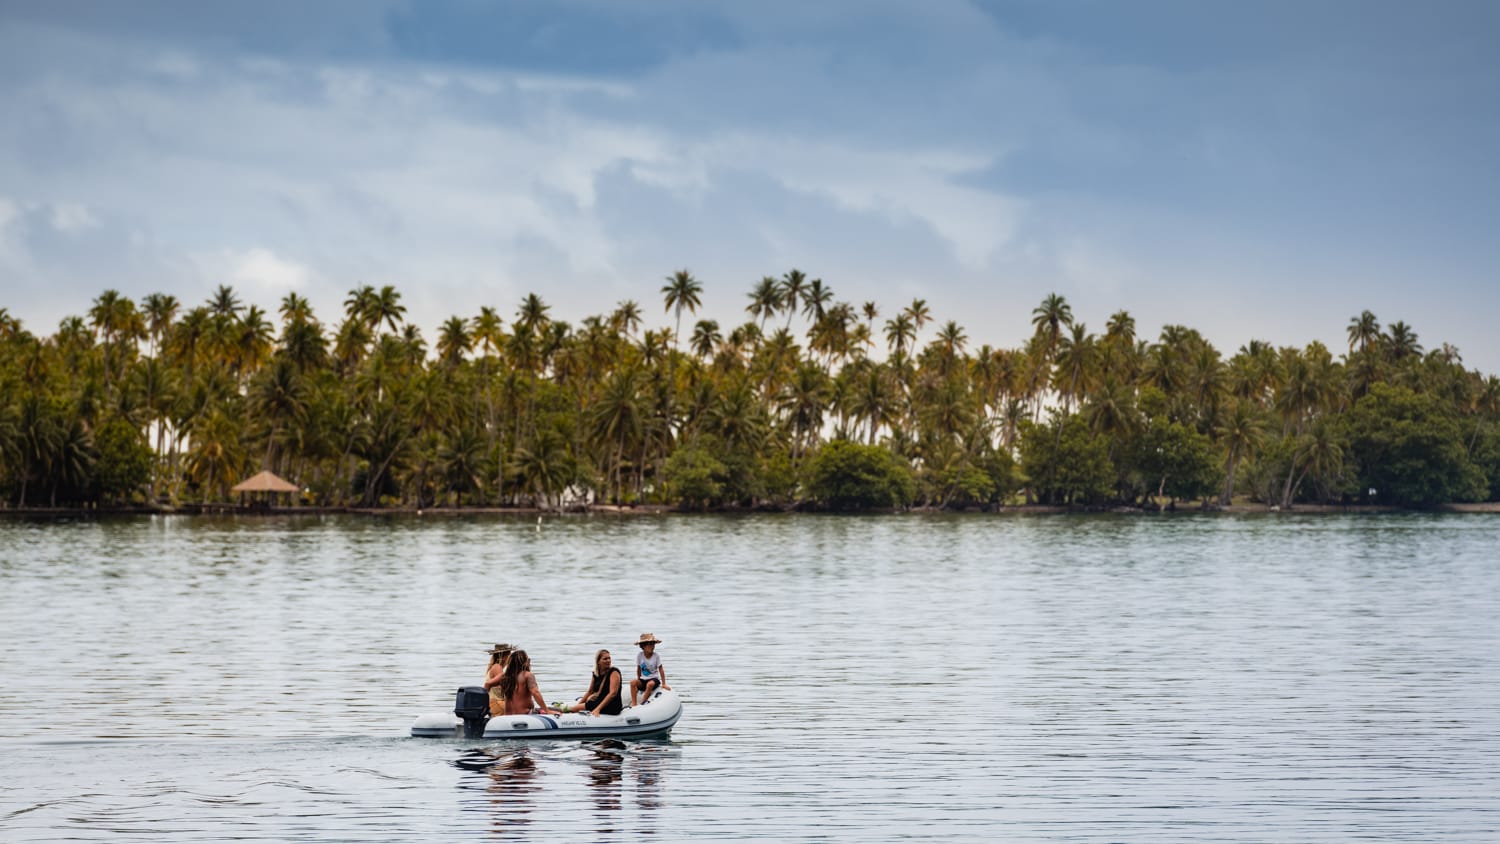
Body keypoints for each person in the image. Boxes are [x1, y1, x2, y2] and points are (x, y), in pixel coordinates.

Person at [563, 649, 623, 716]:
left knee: (574, 709)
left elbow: (613, 693)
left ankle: (562, 713)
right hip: (598, 702)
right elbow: (590, 691)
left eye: (609, 658)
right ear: (598, 661)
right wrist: (578, 705)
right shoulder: (596, 673)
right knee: (575, 708)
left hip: (611, 705)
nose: (608, 661)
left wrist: (598, 709)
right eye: (605, 659)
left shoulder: (614, 672)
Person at [498, 649, 552, 715]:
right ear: (525, 662)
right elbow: (535, 692)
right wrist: (547, 711)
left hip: (509, 715)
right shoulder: (527, 675)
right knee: (558, 710)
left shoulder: (505, 677)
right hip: (525, 713)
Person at [629, 633, 669, 706]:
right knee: (632, 682)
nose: (652, 646)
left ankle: (643, 702)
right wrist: (638, 680)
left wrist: (663, 684)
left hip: (653, 679)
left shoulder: (656, 656)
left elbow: (661, 669)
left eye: (653, 644)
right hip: (643, 679)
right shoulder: (640, 655)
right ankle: (634, 703)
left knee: (650, 684)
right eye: (650, 644)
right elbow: (638, 669)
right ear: (643, 646)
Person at [482, 643, 515, 716]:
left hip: (494, 703)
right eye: (509, 655)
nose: (510, 658)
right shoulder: (497, 668)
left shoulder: (494, 667)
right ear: (503, 656)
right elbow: (503, 688)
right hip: (497, 703)